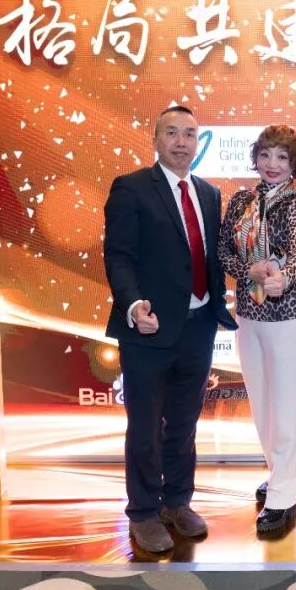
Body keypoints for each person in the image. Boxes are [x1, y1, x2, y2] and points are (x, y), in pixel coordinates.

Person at [103, 105, 237, 554]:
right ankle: (143, 512)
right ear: (156, 139)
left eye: (190, 134)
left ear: (198, 143)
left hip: (198, 327)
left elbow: (210, 258)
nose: (182, 142)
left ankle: (176, 502)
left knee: (183, 423)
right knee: (145, 426)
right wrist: (133, 303)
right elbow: (119, 255)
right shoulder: (131, 187)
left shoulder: (209, 193)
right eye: (172, 133)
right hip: (148, 329)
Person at [217, 125, 296, 534]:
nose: (273, 164)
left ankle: (283, 497)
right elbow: (223, 251)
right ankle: (281, 472)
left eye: (282, 157)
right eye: (266, 155)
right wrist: (248, 270)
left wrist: (281, 278)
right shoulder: (241, 201)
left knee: (284, 405)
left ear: (294, 165)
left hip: (287, 314)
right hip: (249, 314)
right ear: (256, 158)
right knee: (260, 403)